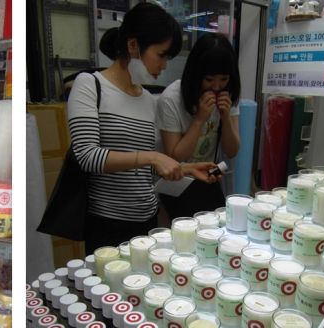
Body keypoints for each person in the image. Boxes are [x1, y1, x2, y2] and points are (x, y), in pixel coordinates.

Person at [68, 3, 221, 256]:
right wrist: (154, 157)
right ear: (132, 45)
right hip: (108, 222)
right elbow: (86, 155)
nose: (163, 66)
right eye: (160, 55)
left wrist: (186, 169)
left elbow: (145, 172)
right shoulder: (89, 85)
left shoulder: (149, 100)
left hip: (148, 221)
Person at [155, 32, 241, 220]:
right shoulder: (172, 98)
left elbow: (232, 151)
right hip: (177, 181)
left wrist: (226, 117)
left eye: (224, 79)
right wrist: (199, 119)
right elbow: (176, 156)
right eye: (209, 80)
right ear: (196, 73)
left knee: (221, 226)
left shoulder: (229, 94)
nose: (217, 87)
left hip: (210, 174)